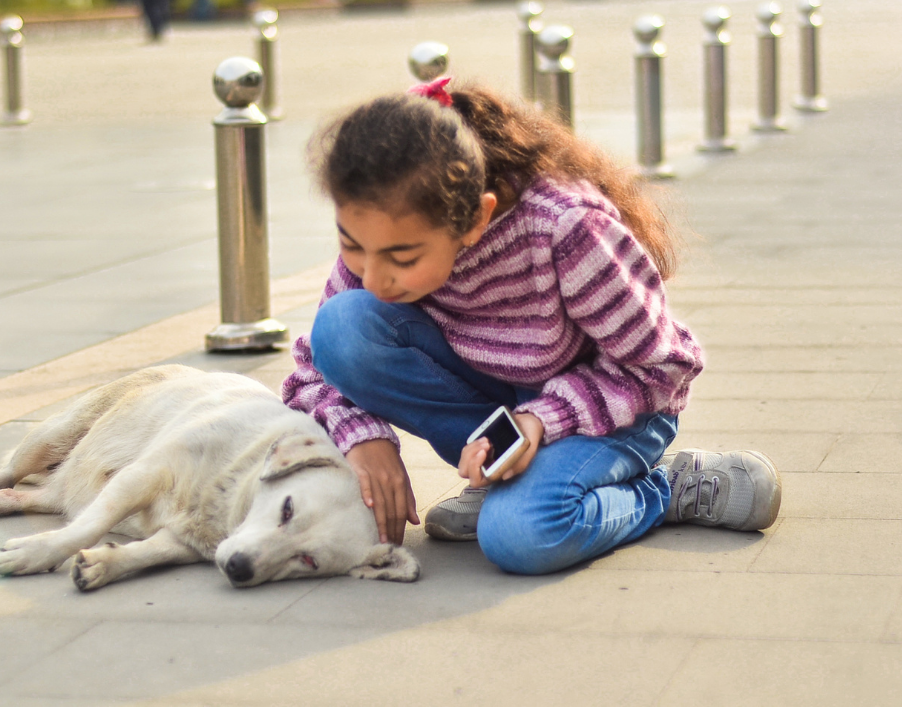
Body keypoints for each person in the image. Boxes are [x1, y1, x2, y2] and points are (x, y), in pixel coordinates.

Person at [281, 78, 782, 575]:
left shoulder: (565, 230)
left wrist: (542, 420)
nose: (372, 276)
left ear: (476, 219)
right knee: (342, 327)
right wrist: (362, 436)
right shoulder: (382, 241)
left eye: (403, 257)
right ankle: (510, 477)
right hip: (513, 411)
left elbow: (662, 368)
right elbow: (312, 368)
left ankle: (663, 488)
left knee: (522, 535)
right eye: (352, 245)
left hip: (624, 409)